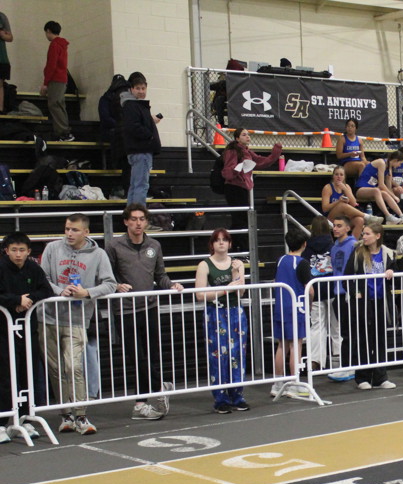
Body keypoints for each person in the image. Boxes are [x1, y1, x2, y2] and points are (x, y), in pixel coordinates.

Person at [39, 214, 117, 435]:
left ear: (86, 232)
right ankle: (65, 415)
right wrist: (59, 291)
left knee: (74, 367)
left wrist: (87, 293)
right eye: (67, 229)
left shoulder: (98, 254)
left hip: (78, 319)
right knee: (55, 369)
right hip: (48, 318)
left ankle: (81, 415)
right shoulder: (52, 248)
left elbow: (110, 284)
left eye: (74, 230)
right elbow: (43, 278)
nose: (69, 233)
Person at [106, 203, 184, 420]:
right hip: (125, 310)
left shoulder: (154, 245)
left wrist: (171, 285)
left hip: (149, 307)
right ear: (126, 221)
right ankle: (160, 386)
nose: (138, 223)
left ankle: (140, 403)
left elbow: (160, 275)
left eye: (142, 219)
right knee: (136, 356)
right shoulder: (114, 245)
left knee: (150, 355)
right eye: (134, 219)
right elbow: (106, 276)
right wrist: (116, 286)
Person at [0, 232, 53, 443]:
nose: (18, 254)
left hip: (28, 329)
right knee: (5, 376)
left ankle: (24, 418)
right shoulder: (1, 267)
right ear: (6, 251)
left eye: (22, 250)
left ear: (29, 251)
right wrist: (15, 300)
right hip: (3, 331)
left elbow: (46, 290)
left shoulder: (33, 268)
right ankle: (2, 421)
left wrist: (28, 299)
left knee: (27, 373)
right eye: (14, 250)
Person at [194, 229, 248, 414]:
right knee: (218, 355)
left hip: (235, 312)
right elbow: (200, 294)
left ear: (230, 243)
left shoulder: (237, 264)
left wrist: (236, 273)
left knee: (237, 354)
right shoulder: (204, 265)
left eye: (225, 240)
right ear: (212, 244)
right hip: (215, 313)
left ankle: (237, 395)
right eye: (217, 240)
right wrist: (225, 289)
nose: (221, 243)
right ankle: (220, 398)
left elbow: (241, 291)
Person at [297, 215, 356, 382]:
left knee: (316, 326)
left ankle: (316, 361)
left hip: (315, 288)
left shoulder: (307, 248)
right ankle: (338, 358)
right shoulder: (333, 246)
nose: (335, 228)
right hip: (333, 289)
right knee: (337, 326)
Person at [343, 221, 398, 390]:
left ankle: (381, 377)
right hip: (363, 302)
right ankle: (362, 377)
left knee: (380, 339)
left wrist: (392, 272)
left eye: (367, 234)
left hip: (381, 301)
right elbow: (346, 277)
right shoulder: (358, 253)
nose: (364, 236)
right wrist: (355, 293)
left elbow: (395, 272)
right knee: (363, 339)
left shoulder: (388, 253)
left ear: (377, 236)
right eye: (363, 233)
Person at [272, 228, 310, 399]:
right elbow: (310, 289)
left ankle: (278, 384)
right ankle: (294, 383)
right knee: (296, 345)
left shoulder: (280, 260)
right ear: (304, 244)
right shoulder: (302, 263)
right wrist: (310, 302)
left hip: (281, 306)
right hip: (296, 307)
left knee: (282, 345)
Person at [221, 127, 282, 230]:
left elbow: (261, 162)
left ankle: (239, 239)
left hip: (243, 187)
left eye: (248, 134)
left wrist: (276, 153)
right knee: (240, 219)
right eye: (244, 135)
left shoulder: (247, 151)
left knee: (243, 219)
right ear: (237, 138)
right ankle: (237, 239)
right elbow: (227, 172)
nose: (247, 136)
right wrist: (238, 168)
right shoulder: (232, 151)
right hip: (234, 187)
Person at [121, 72, 161, 205]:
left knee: (134, 185)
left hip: (136, 150)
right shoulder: (133, 105)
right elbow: (133, 127)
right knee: (141, 186)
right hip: (141, 150)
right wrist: (149, 135)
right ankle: (139, 214)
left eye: (143, 88)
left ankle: (132, 213)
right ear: (131, 89)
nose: (141, 91)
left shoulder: (131, 105)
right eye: (138, 88)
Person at [321, 164, 382, 238]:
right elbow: (325, 209)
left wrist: (345, 189)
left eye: (341, 175)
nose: (339, 176)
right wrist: (338, 201)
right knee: (342, 205)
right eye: (336, 174)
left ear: (344, 177)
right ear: (333, 176)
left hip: (344, 218)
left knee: (359, 220)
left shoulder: (347, 187)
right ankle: (367, 217)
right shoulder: (328, 188)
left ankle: (352, 243)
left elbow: (354, 203)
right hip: (331, 218)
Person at [355, 152, 403, 224]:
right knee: (377, 190)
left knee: (385, 193)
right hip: (361, 189)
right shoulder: (381, 163)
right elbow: (381, 185)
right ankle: (388, 216)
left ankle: (402, 216)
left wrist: (392, 195)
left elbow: (388, 186)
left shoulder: (389, 167)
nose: (399, 165)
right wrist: (393, 196)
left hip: (372, 189)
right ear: (395, 160)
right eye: (400, 163)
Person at [41, 21, 72, 141]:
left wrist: (45, 83)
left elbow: (51, 65)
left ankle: (63, 132)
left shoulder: (54, 45)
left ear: (48, 31)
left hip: (55, 79)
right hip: (62, 79)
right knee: (59, 105)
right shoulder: (62, 44)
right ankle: (64, 131)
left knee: (54, 105)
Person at [0, 10, 12, 115]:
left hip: (1, 58)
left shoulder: (2, 17)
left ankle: (0, 109)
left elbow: (10, 37)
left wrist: (3, 35)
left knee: (0, 85)